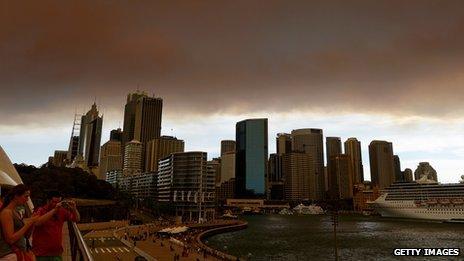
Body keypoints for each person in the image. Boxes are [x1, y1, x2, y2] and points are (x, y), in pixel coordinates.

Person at [0, 185, 59, 261]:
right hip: (9, 255)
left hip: (17, 253)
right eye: (26, 196)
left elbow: (26, 236)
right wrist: (28, 223)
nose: (27, 199)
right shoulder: (7, 212)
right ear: (16, 196)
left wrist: (31, 223)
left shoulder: (14, 212)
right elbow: (10, 239)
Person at [32, 191, 80, 261]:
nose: (57, 204)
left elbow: (77, 219)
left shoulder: (61, 211)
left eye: (59, 202)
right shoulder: (40, 210)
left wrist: (74, 209)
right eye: (54, 202)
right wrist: (54, 210)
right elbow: (37, 222)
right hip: (42, 253)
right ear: (48, 201)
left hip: (56, 253)